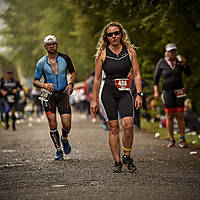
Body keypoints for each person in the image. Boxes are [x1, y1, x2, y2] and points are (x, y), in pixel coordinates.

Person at [90, 22, 143, 173]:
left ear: (121, 34)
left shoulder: (130, 51)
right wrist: (93, 100)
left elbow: (137, 74)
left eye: (116, 33)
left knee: (128, 125)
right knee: (113, 128)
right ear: (106, 37)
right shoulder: (102, 54)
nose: (114, 36)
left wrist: (139, 94)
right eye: (110, 34)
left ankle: (127, 155)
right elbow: (97, 79)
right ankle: (117, 161)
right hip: (108, 93)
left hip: (125, 92)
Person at [33, 35, 76, 160]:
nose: (51, 46)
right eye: (49, 45)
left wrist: (71, 84)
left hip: (63, 93)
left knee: (67, 124)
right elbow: (35, 81)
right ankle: (58, 150)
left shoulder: (65, 58)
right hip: (48, 95)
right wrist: (44, 85)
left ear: (57, 45)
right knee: (52, 123)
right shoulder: (41, 62)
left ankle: (65, 138)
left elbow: (73, 72)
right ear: (45, 47)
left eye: (53, 44)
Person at [154, 43, 191, 148]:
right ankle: (171, 139)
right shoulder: (161, 62)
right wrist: (156, 91)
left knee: (180, 115)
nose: (173, 53)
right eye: (171, 51)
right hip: (167, 92)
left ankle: (182, 139)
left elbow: (189, 73)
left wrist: (184, 64)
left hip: (179, 91)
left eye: (174, 51)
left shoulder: (179, 62)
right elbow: (156, 78)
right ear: (167, 52)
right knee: (169, 115)